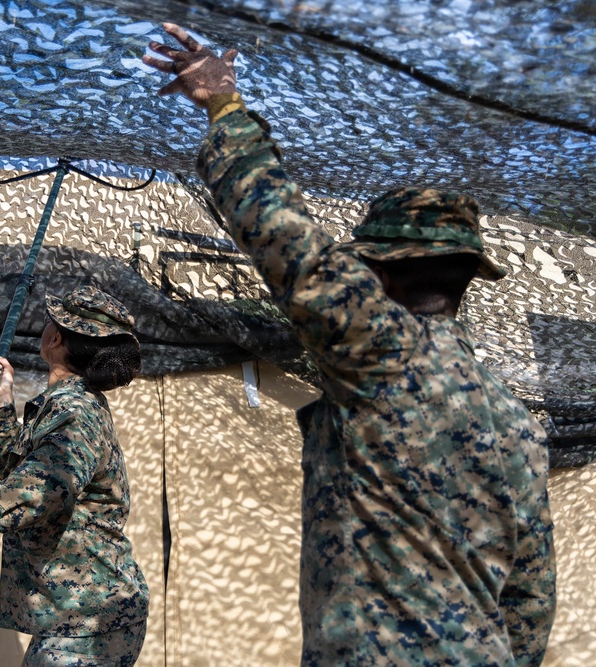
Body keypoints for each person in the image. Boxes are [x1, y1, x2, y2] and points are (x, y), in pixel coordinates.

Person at [143, 23, 556, 667]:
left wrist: (224, 105)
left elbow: (283, 234)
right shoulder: (518, 424)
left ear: (380, 273)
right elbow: (530, 602)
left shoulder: (383, 353)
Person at [0, 285, 149, 667]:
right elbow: (21, 473)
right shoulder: (68, 404)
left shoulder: (76, 410)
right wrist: (2, 400)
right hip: (79, 615)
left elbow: (45, 484)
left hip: (90, 618)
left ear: (55, 337)